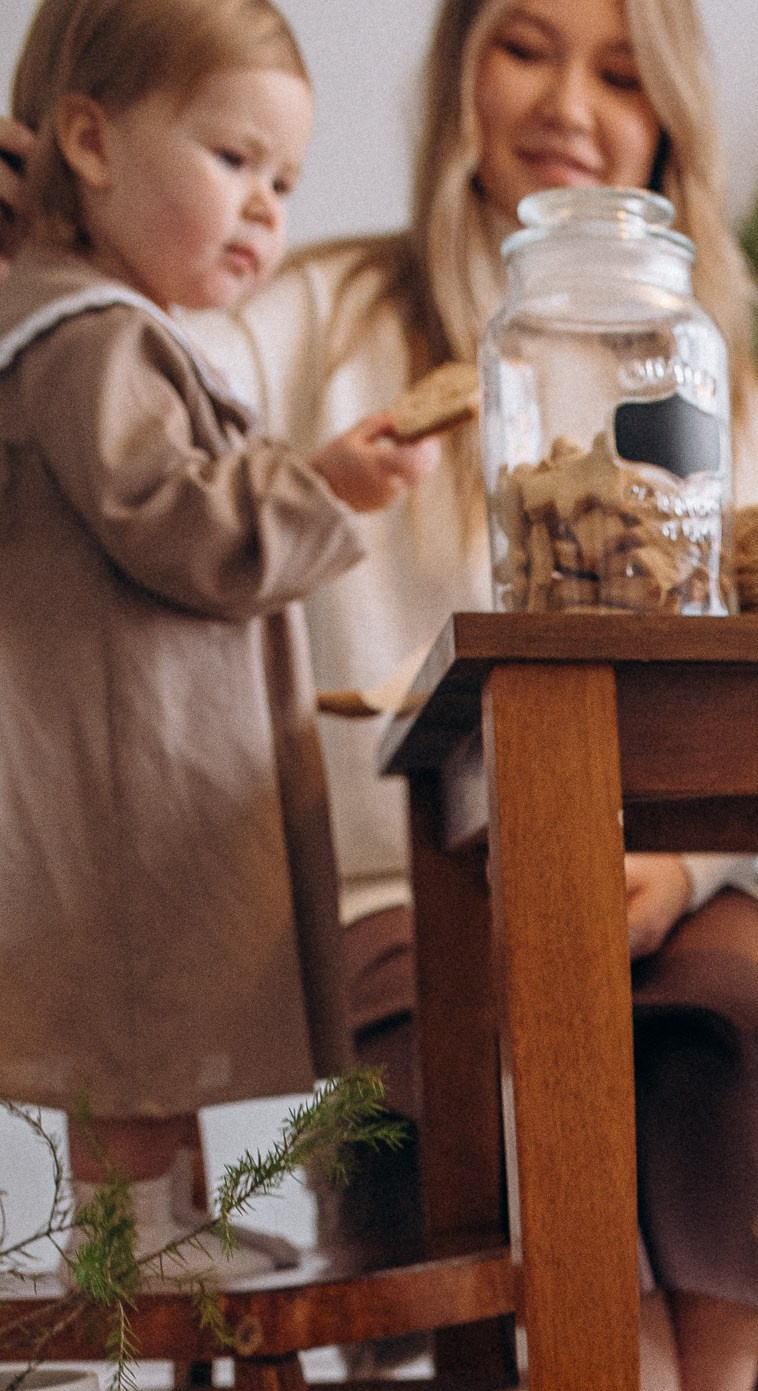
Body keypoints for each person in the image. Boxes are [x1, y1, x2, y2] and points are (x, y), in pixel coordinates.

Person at [208, 0, 758, 1391]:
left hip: (650, 876)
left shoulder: (702, 368)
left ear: (671, 122)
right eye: (525, 46)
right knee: (556, 1106)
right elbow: (143, 408)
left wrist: (674, 865)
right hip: (407, 889)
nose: (568, 104)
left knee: (734, 1031)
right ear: (460, 74)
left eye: (622, 72)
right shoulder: (316, 319)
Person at [0, 0, 434, 1271]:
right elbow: (170, 517)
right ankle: (129, 1239)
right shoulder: (86, 337)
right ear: (89, 138)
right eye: (234, 160)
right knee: (130, 1004)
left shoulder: (103, 330)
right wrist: (324, 488)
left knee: (151, 1003)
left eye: (285, 179)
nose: (264, 209)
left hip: (134, 753)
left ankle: (162, 1212)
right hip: (117, 769)